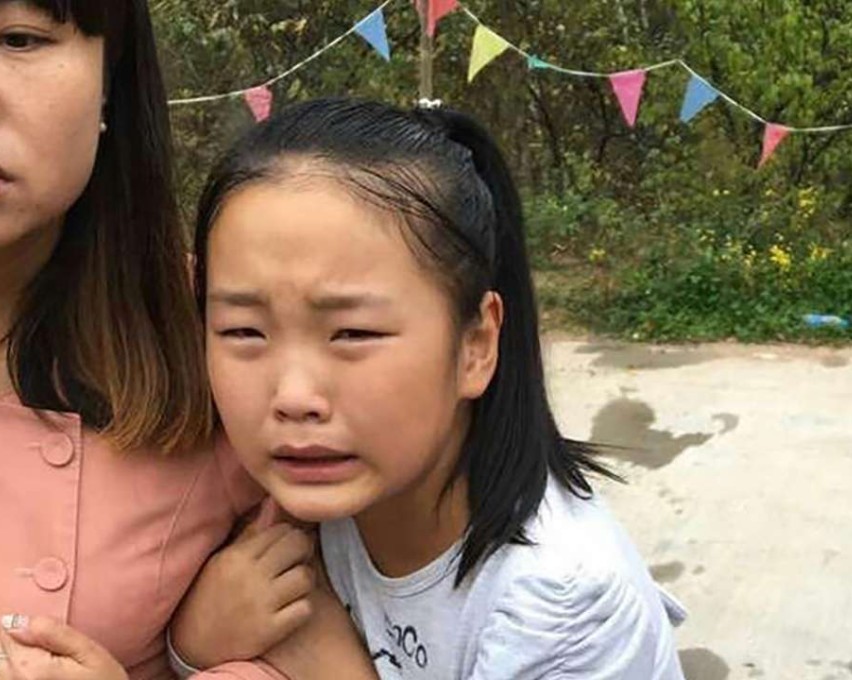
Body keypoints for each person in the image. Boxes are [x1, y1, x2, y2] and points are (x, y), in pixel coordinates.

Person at [0, 1, 325, 678]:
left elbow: (319, 651)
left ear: (109, 77)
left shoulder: (226, 337)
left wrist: (189, 658)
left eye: (20, 37)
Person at [180, 97, 687, 678]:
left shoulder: (561, 605)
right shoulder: (296, 510)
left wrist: (330, 663)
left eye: (353, 332)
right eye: (243, 330)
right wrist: (195, 639)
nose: (293, 396)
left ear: (476, 345)